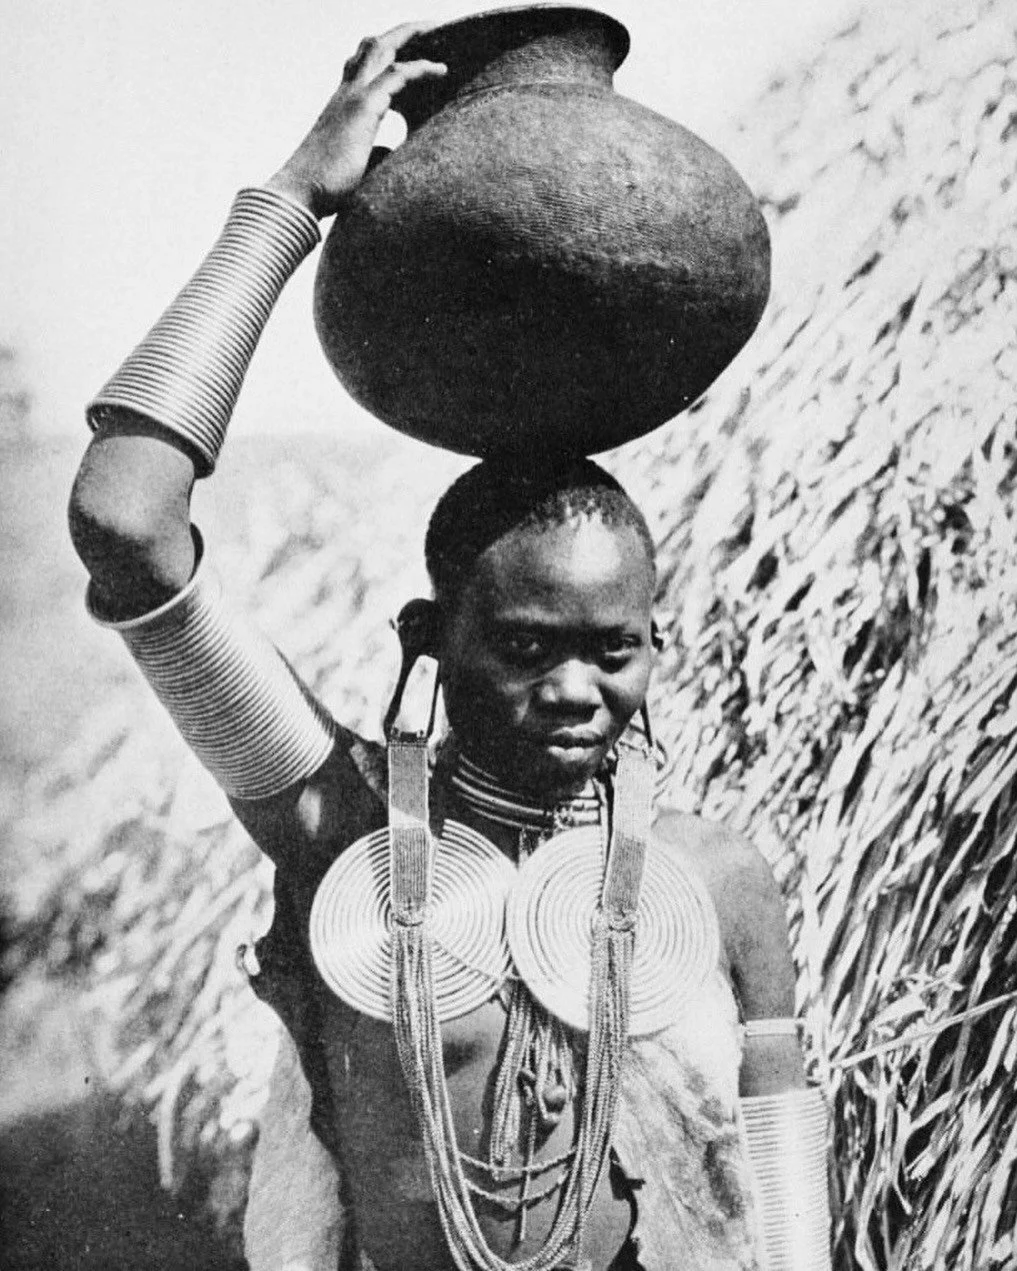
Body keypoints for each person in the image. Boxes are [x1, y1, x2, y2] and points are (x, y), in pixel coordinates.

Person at [68, 22, 830, 1271]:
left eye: (615, 648)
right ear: (433, 639)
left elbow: (791, 1214)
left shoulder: (719, 880)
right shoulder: (342, 828)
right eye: (529, 648)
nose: (579, 692)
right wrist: (287, 207)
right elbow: (125, 520)